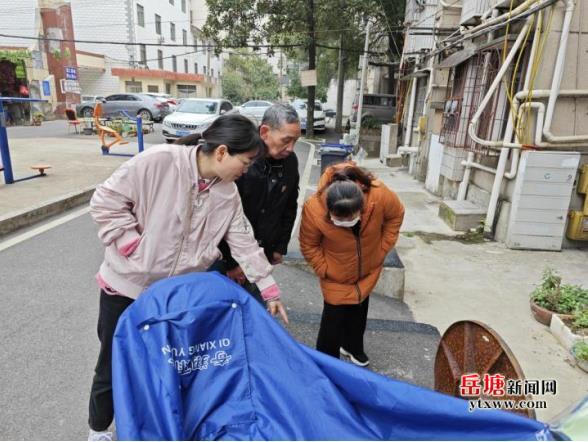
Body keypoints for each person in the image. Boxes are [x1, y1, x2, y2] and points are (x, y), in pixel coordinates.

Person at [87, 114, 288, 441]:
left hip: (173, 298)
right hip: (127, 288)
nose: (247, 169)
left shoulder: (227, 193)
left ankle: (147, 427)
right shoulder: (159, 162)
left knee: (166, 366)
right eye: (246, 161)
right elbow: (105, 201)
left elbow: (243, 242)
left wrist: (269, 289)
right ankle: (97, 430)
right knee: (113, 363)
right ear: (222, 152)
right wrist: (130, 244)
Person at [299, 163, 404, 367]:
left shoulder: (379, 195)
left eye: (353, 217)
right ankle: (327, 364)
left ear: (362, 206)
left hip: (368, 267)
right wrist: (325, 269)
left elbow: (396, 214)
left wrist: (383, 248)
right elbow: (308, 245)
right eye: (339, 218)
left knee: (359, 308)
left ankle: (353, 347)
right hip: (336, 273)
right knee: (332, 321)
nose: (347, 221)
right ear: (328, 208)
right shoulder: (313, 208)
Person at [214, 103, 301, 303]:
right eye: (286, 140)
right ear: (264, 132)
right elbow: (221, 215)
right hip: (228, 259)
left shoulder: (290, 162)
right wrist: (230, 263)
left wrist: (280, 246)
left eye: (295, 141)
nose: (291, 148)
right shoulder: (240, 161)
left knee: (256, 312)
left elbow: (289, 206)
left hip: (264, 254)